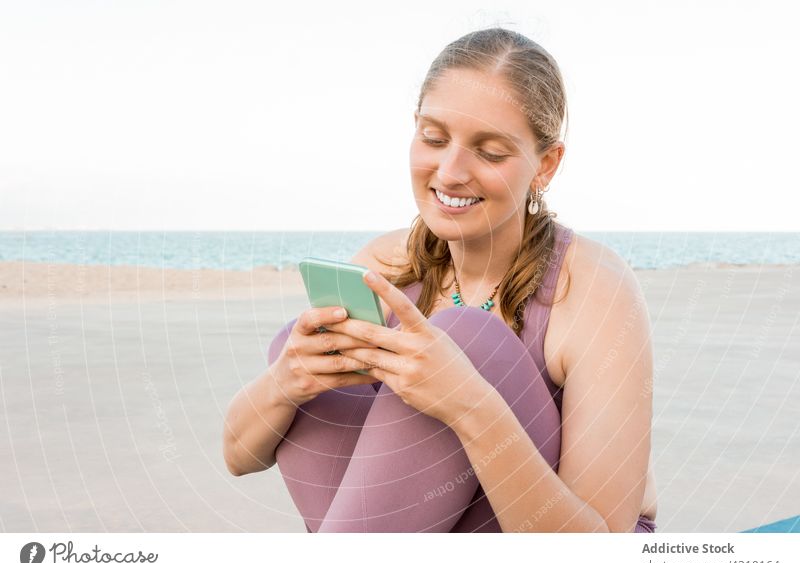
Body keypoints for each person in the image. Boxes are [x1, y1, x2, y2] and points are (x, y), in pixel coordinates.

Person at [223, 27, 658, 533]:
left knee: (469, 340)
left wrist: (467, 403)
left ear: (546, 164)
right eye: (433, 137)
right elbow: (238, 457)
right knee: (300, 352)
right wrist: (286, 381)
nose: (450, 172)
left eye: (490, 152)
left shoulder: (594, 291)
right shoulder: (385, 266)